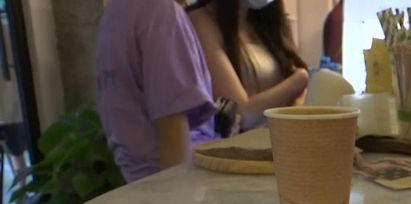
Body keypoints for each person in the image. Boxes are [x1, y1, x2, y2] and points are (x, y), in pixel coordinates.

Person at [94, 0, 218, 183]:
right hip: (178, 189)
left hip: (140, 186)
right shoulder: (160, 13)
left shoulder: (113, 15)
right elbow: (173, 135)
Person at [188, 0, 309, 131]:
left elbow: (299, 98)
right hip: (238, 145)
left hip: (280, 141)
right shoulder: (201, 21)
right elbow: (240, 115)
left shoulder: (269, 22)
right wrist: (299, 80)